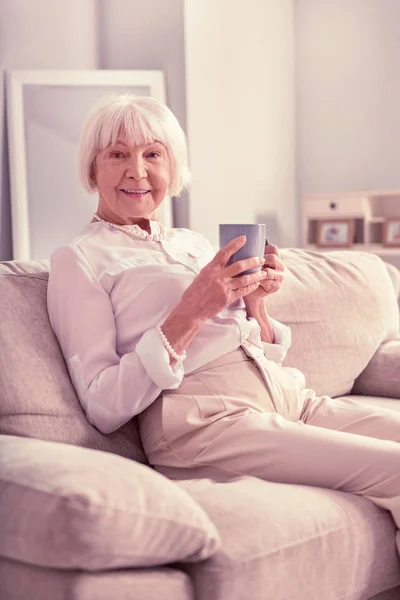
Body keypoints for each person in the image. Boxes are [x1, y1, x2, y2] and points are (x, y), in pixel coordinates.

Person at [47, 93, 400, 559]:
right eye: (117, 154)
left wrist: (256, 307)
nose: (137, 170)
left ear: (173, 168)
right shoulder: (79, 258)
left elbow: (255, 346)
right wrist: (192, 310)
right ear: (93, 169)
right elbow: (102, 403)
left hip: (291, 400)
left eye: (153, 154)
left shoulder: (191, 243)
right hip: (207, 424)